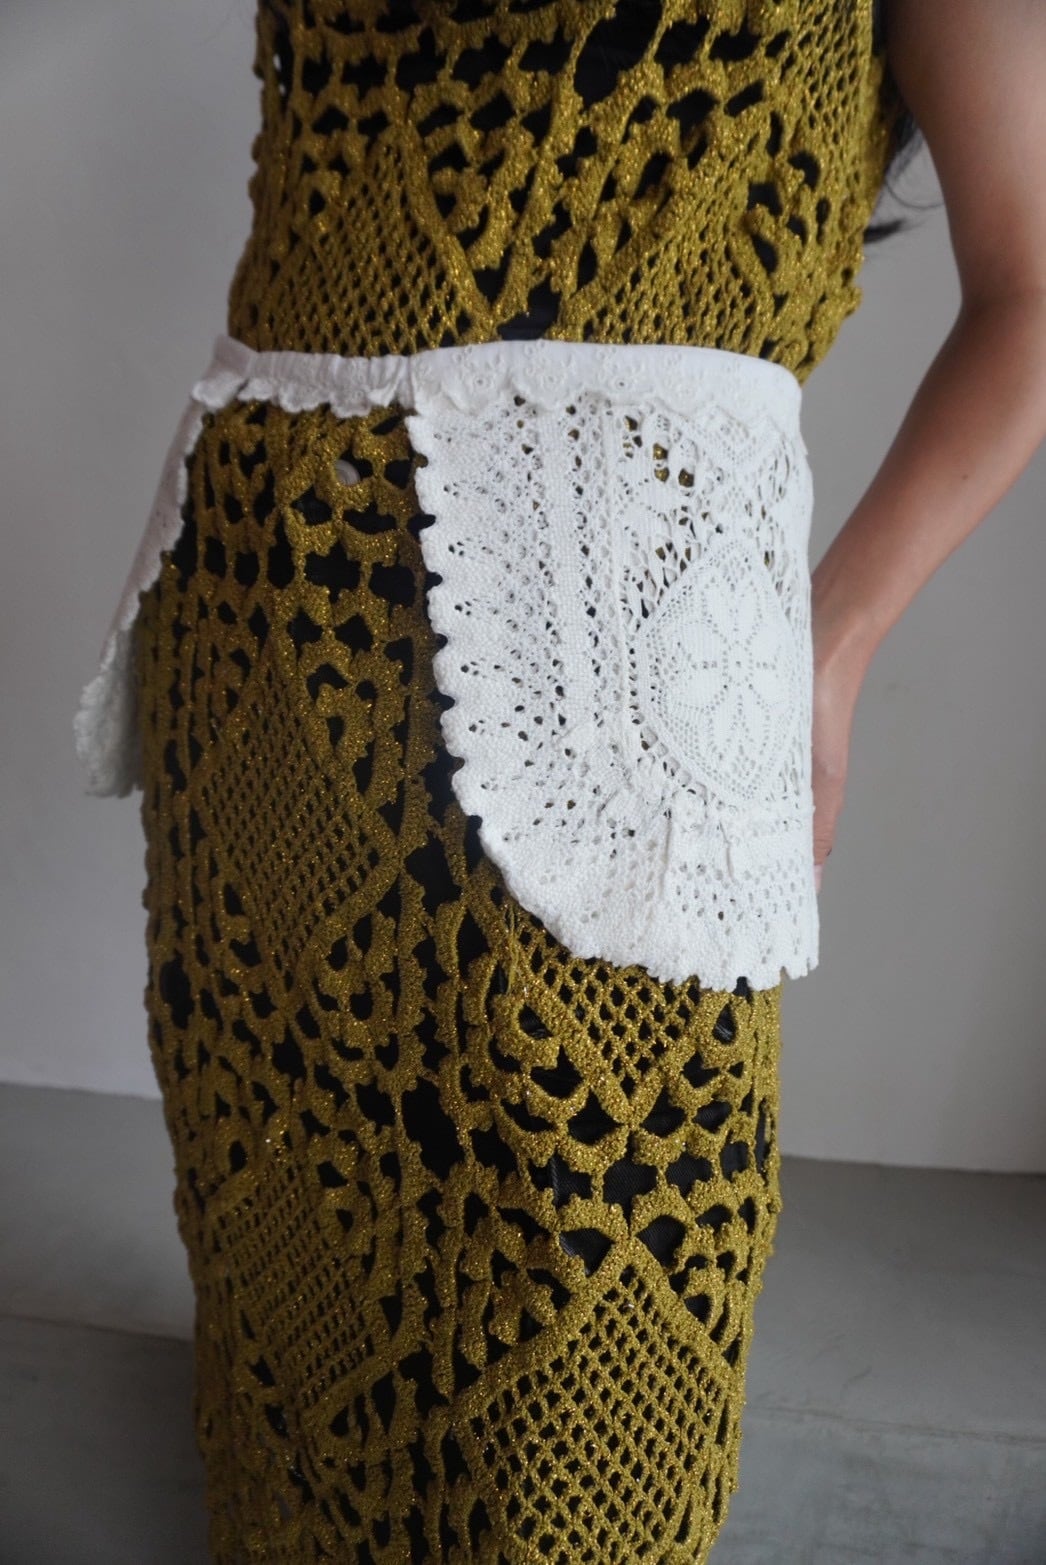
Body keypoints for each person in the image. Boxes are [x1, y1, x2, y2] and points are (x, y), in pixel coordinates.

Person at [72, 0, 1046, 1559]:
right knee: (295, 1305)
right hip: (265, 644)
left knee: (587, 1332)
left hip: (616, 689)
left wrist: (832, 644)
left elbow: (1031, 288)